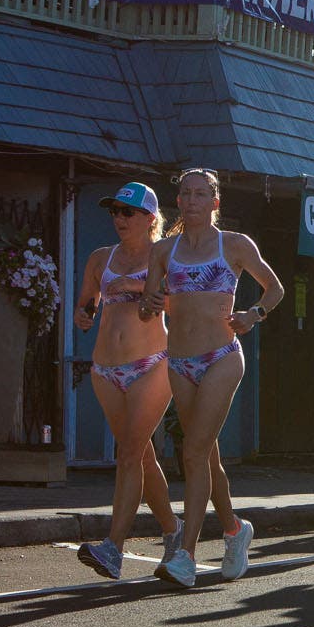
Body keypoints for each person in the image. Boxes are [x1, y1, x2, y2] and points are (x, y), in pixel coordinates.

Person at [142, 169, 282, 589]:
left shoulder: (235, 245)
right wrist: (148, 303)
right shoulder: (163, 251)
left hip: (222, 356)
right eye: (185, 193)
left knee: (194, 450)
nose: (191, 200)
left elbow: (273, 290)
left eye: (201, 194)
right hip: (180, 360)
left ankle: (185, 554)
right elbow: (151, 308)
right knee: (206, 456)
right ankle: (236, 530)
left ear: (215, 202)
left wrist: (252, 315)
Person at [71, 182, 185, 579]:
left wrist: (138, 286)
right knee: (139, 455)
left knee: (129, 454)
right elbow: (87, 302)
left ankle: (113, 548)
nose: (119, 218)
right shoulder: (101, 258)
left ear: (150, 219)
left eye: (127, 212)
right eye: (115, 211)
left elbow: (184, 300)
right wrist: (83, 316)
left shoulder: (165, 255)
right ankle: (173, 531)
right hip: (105, 367)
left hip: (151, 364)